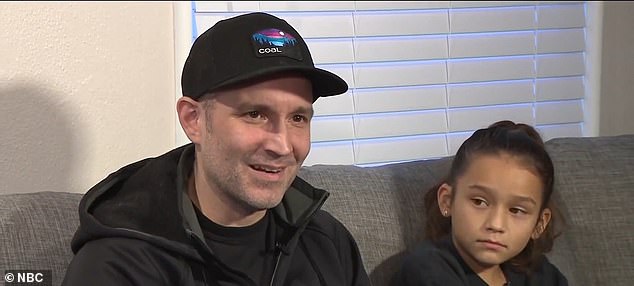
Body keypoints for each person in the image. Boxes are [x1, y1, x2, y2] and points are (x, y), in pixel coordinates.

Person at [62, 12, 370, 286]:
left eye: (298, 118)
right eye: (255, 114)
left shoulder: (327, 243)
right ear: (193, 120)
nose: (282, 144)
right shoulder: (119, 265)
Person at [393, 120, 568, 285]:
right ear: (447, 201)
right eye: (479, 202)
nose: (496, 224)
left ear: (539, 224)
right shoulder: (427, 269)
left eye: (516, 210)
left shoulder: (541, 274)